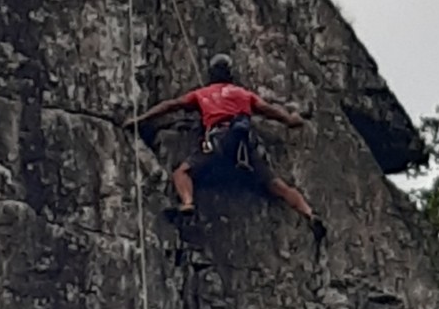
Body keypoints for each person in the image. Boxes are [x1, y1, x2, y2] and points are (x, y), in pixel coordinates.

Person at [124, 54, 324, 238]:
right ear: (230, 74)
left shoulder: (203, 94)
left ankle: (187, 202)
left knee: (181, 173)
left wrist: (141, 118)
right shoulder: (243, 94)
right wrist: (292, 120)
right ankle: (308, 212)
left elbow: (170, 105)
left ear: (211, 74)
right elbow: (270, 111)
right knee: (278, 186)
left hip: (218, 141)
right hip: (243, 145)